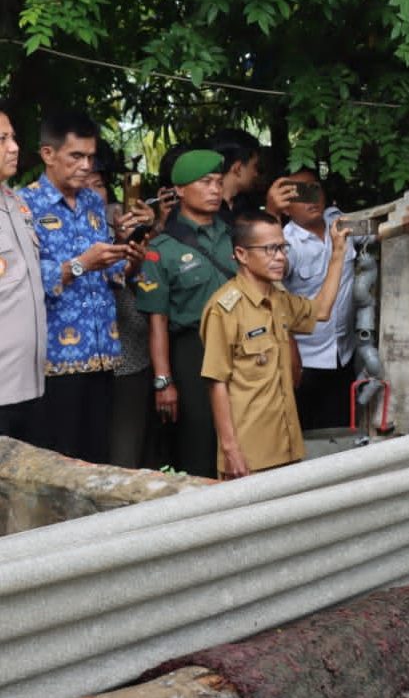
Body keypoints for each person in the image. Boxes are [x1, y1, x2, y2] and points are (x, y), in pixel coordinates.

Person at [20, 110, 143, 462]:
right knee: (59, 461)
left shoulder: (93, 202)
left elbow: (109, 272)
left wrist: (129, 259)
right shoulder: (22, 205)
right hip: (54, 361)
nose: (86, 165)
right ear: (48, 154)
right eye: (76, 156)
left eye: (91, 156)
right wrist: (80, 264)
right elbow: (21, 280)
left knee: (96, 457)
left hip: (103, 354)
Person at [199, 210, 351, 478]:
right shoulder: (224, 309)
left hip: (287, 447)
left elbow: (322, 310)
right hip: (249, 455)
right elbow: (216, 382)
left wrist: (337, 253)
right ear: (242, 255)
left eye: (283, 248)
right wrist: (231, 449)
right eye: (270, 249)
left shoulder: (279, 299)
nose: (281, 257)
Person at [135, 149, 235, 477]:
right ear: (179, 190)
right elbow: (158, 321)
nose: (215, 189)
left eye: (219, 182)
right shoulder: (162, 249)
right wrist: (164, 381)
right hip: (195, 351)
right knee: (200, 440)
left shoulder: (235, 234)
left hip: (241, 345)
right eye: (205, 182)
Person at [83, 147, 157, 469]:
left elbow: (154, 279)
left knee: (125, 455)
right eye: (84, 184)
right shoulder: (54, 228)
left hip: (128, 356)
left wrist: (146, 232)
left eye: (97, 184)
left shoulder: (120, 219)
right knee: (86, 453)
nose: (91, 191)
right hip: (79, 363)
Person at [281, 169, 357, 430]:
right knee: (308, 437)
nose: (311, 199)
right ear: (286, 207)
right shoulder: (285, 244)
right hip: (306, 360)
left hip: (344, 353)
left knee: (343, 432)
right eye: (299, 194)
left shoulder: (342, 223)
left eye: (314, 189)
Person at [0, 98, 46, 441]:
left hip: (29, 383)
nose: (14, 148)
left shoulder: (15, 202)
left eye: (13, 137)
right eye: (2, 140)